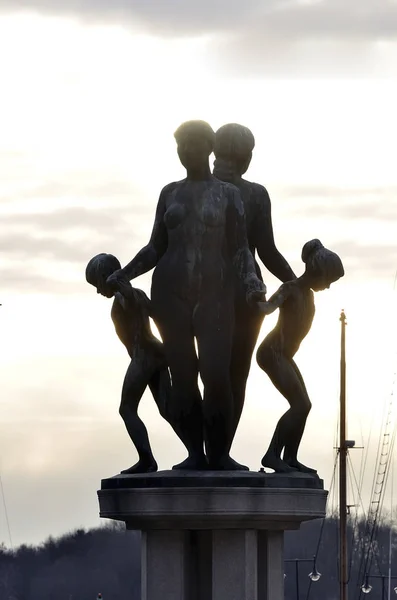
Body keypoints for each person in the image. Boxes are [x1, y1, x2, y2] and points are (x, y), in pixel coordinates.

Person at [106, 120, 266, 471]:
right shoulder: (170, 193)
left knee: (216, 375)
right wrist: (124, 273)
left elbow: (240, 250)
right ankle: (195, 453)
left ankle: (219, 454)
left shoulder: (229, 195)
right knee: (183, 377)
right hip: (169, 293)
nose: (185, 152)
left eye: (192, 145)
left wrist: (253, 285)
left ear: (208, 148)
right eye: (180, 146)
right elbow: (155, 246)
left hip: (215, 294)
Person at [213, 123, 295, 440]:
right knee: (232, 375)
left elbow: (267, 251)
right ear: (246, 157)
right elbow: (269, 252)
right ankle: (215, 453)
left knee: (225, 374)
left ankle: (217, 454)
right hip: (228, 292)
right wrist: (295, 282)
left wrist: (294, 283)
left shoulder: (255, 195)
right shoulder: (249, 194)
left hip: (241, 293)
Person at [256, 239, 344, 474]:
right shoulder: (290, 288)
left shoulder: (309, 297)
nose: (328, 286)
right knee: (300, 404)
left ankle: (290, 458)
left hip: (284, 355)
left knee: (305, 406)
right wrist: (255, 298)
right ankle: (272, 455)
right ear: (318, 271)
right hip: (271, 352)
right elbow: (267, 308)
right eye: (328, 280)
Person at [86, 252, 172, 474]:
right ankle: (197, 453)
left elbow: (133, 302)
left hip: (144, 355)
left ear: (106, 275)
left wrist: (121, 285)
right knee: (168, 409)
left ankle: (147, 460)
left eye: (97, 283)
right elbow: (159, 315)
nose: (97, 290)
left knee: (126, 408)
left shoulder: (126, 296)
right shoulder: (135, 294)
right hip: (156, 353)